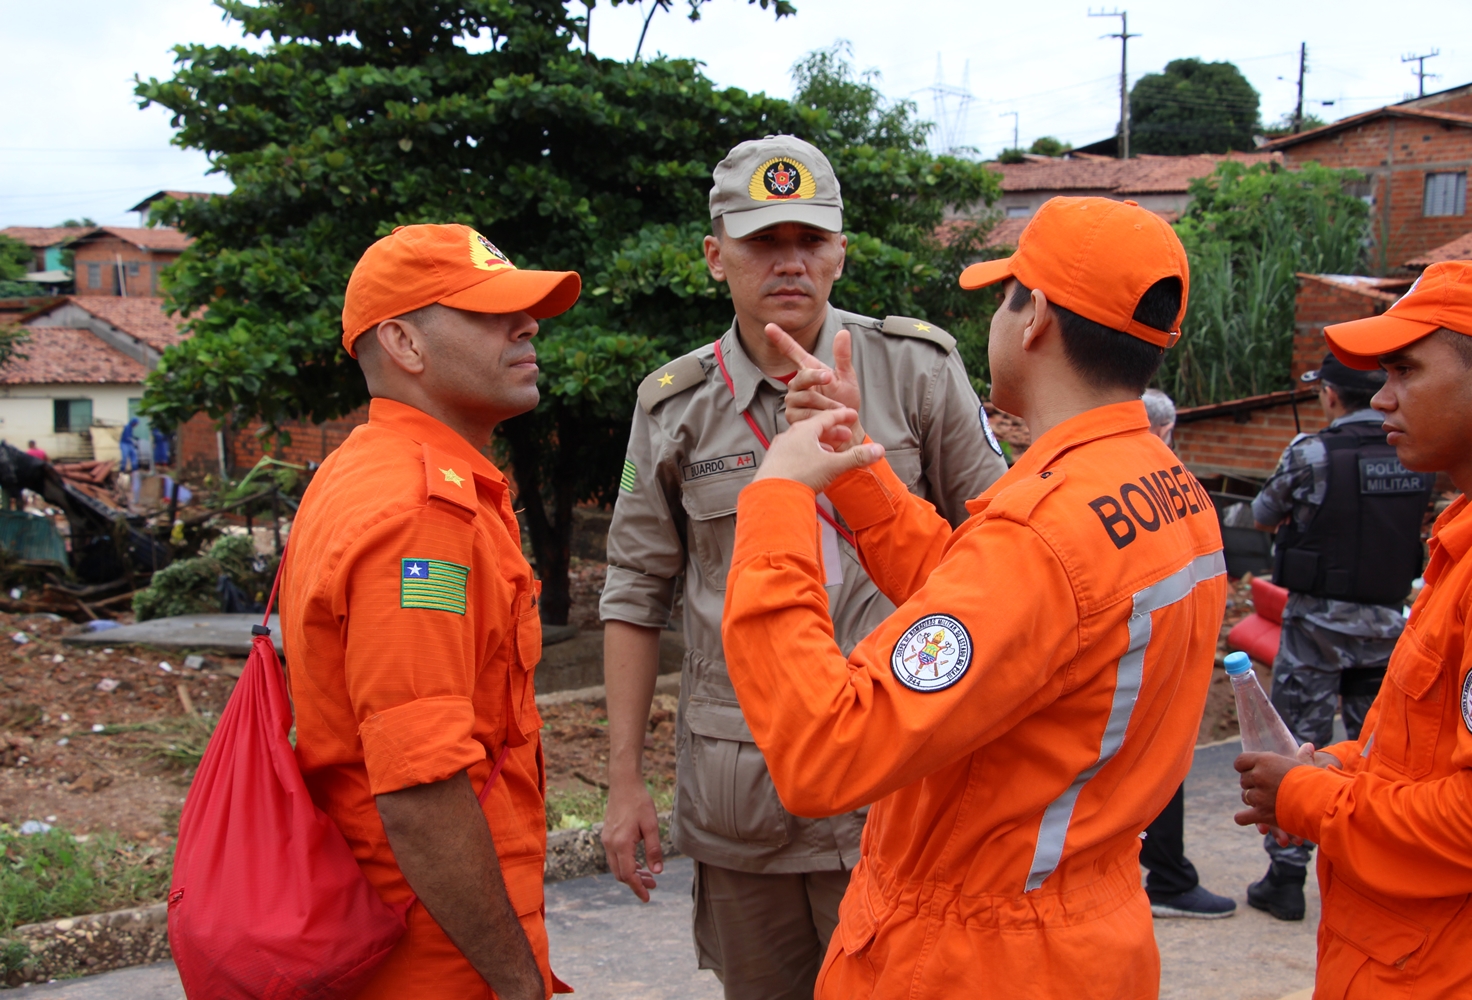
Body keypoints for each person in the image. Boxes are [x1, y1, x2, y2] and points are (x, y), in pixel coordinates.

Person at [720, 196, 1227, 997]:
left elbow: (825, 752)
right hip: (1081, 933)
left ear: (1037, 319)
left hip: (975, 958)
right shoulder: (1163, 488)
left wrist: (779, 494)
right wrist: (858, 465)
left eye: (1005, 295)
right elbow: (999, 613)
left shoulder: (1043, 528)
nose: (998, 318)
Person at [598, 134, 1005, 1000]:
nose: (790, 261)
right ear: (716, 257)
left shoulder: (918, 370)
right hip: (745, 793)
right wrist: (625, 781)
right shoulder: (670, 404)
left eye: (810, 239)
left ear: (841, 253)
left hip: (903, 783)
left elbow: (998, 553)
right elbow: (634, 593)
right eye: (762, 241)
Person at [279, 224, 580, 1000]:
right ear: (404, 344)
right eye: (488, 312)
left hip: (415, 926)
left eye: (524, 310)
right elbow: (420, 788)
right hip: (434, 955)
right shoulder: (421, 515)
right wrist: (519, 985)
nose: (527, 326)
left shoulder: (362, 470)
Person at [1237, 259, 1472, 998]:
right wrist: (1338, 772)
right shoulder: (1465, 536)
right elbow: (1425, 751)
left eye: (1406, 371)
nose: (1381, 398)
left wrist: (1311, 800)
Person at [1244, 352, 1433, 920]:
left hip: (1318, 628)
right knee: (1379, 751)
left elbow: (1262, 512)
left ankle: (1285, 877)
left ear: (1329, 395)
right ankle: (1375, 866)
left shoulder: (1312, 452)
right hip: (1386, 622)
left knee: (1298, 746)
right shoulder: (1415, 448)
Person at [1137, 387, 1238, 920]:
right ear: (1167, 431)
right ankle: (1169, 877)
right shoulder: (1185, 489)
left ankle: (1165, 872)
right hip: (1160, 660)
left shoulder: (1125, 488)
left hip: (1147, 655)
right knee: (1159, 766)